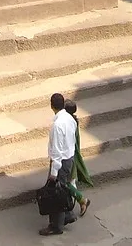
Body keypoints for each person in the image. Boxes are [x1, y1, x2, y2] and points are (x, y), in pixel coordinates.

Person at [40, 92, 78, 235]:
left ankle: (56, 226)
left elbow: (57, 151)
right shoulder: (70, 119)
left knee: (55, 194)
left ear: (51, 106)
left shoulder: (57, 125)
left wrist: (53, 173)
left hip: (60, 163)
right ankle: (68, 215)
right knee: (63, 189)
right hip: (69, 159)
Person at [62, 99, 91, 217]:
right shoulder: (74, 121)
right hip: (71, 155)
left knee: (66, 183)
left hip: (68, 156)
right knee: (69, 181)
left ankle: (80, 200)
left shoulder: (68, 124)